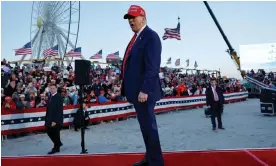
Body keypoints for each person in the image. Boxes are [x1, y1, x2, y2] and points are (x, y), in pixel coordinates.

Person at [121, 5, 164, 166]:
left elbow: (153, 67)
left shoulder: (151, 37)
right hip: (137, 92)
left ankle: (156, 162)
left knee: (149, 128)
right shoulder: (137, 38)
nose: (131, 21)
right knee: (145, 128)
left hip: (144, 93)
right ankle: (150, 158)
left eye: (133, 17)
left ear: (143, 18)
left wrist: (144, 90)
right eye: (129, 18)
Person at [45, 84, 64, 154]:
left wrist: (55, 121)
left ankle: (56, 147)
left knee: (55, 133)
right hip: (50, 118)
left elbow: (59, 110)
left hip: (56, 119)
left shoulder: (58, 97)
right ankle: (58, 143)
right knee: (49, 131)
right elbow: (49, 109)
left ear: (56, 89)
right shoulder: (50, 97)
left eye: (53, 88)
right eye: (51, 88)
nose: (52, 89)